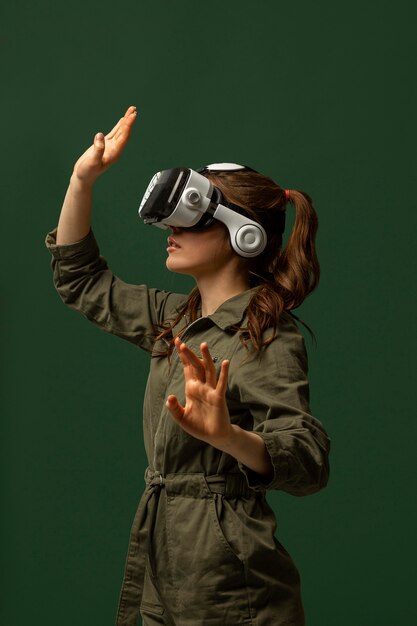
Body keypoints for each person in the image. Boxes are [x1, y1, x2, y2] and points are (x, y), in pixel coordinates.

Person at [45, 105, 330, 626]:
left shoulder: (265, 336)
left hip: (230, 580)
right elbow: (81, 281)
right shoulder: (173, 318)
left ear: (243, 235)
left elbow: (309, 459)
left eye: (188, 222)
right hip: (161, 560)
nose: (169, 232)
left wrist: (228, 436)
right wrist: (82, 178)